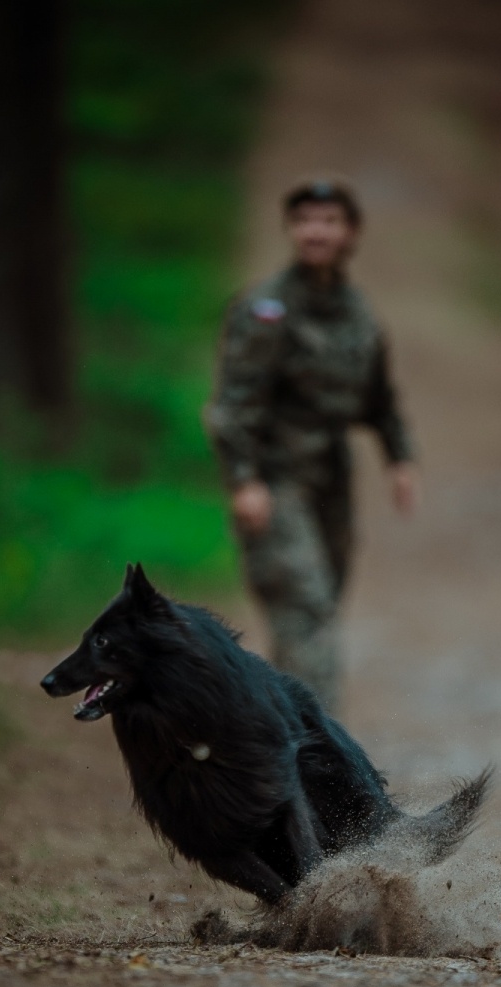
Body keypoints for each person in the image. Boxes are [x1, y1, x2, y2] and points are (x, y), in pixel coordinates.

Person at [204, 177, 419, 714]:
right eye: (303, 221)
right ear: (291, 231)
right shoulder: (267, 309)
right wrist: (244, 479)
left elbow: (377, 394)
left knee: (317, 614)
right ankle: (322, 758)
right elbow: (233, 403)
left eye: (327, 221)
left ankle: (280, 743)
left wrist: (400, 457)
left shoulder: (356, 309)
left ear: (350, 233)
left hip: (330, 479)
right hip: (276, 481)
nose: (314, 232)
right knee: (307, 611)